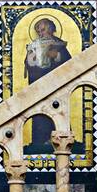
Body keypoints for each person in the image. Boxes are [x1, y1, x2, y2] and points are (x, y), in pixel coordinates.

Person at [23, 17, 71, 150]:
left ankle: (62, 141)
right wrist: (31, 59)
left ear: (50, 29)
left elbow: (69, 63)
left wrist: (56, 56)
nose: (40, 33)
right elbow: (28, 64)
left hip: (55, 86)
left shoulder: (59, 44)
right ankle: (39, 142)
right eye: (38, 31)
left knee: (57, 112)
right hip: (39, 86)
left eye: (43, 30)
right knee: (39, 113)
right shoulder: (34, 45)